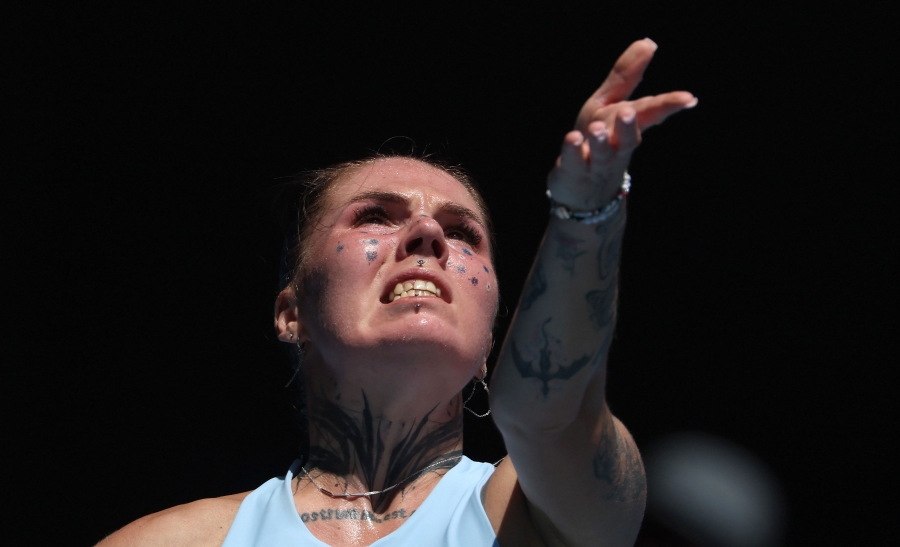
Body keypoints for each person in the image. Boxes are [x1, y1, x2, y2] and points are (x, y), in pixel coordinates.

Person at [98, 39, 697, 547]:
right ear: (292, 312)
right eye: (375, 217)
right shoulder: (172, 541)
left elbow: (546, 410)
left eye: (464, 233)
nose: (429, 233)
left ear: (492, 343)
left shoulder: (538, 513)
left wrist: (585, 212)